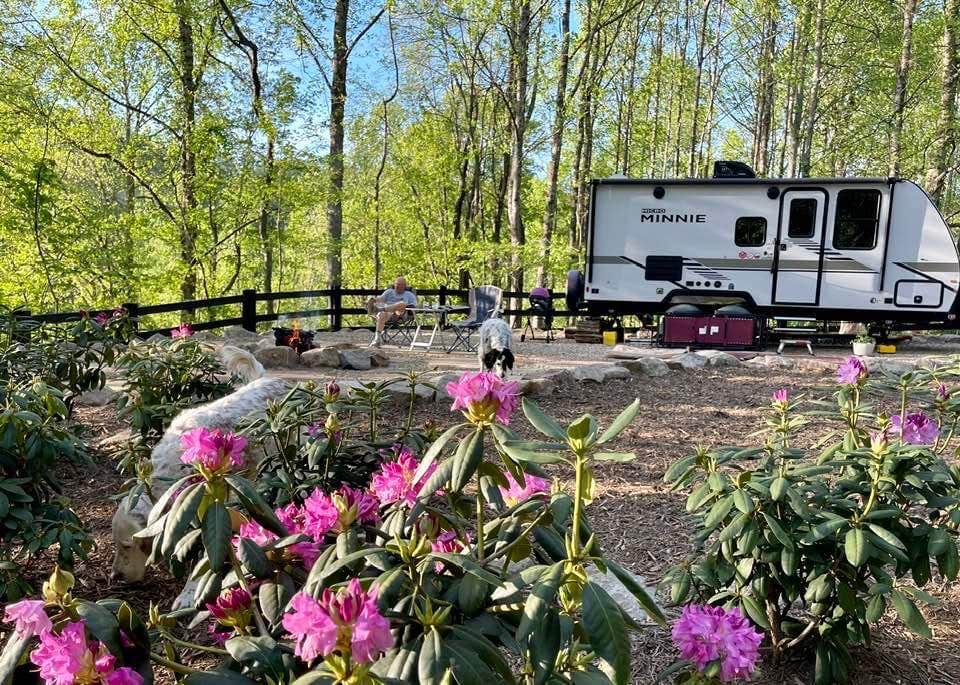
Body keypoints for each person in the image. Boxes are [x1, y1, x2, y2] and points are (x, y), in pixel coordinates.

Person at [366, 276, 417, 347]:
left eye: (399, 284)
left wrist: (403, 307)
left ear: (404, 286)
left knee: (402, 303)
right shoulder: (389, 292)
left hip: (400, 315)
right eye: (396, 284)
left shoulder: (409, 295)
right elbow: (380, 299)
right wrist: (373, 300)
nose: (397, 286)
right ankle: (377, 339)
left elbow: (414, 306)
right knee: (381, 314)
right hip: (387, 314)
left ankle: (381, 309)